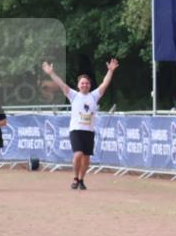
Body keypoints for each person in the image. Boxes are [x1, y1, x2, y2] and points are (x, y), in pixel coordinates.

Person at [42, 59, 119, 190]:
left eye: (87, 83)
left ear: (90, 85)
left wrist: (110, 71)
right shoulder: (74, 95)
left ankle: (81, 180)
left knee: (87, 159)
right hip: (76, 130)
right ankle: (75, 177)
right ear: (78, 85)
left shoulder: (94, 96)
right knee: (78, 154)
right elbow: (61, 84)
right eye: (82, 83)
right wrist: (51, 73)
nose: (85, 85)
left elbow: (105, 84)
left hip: (89, 131)